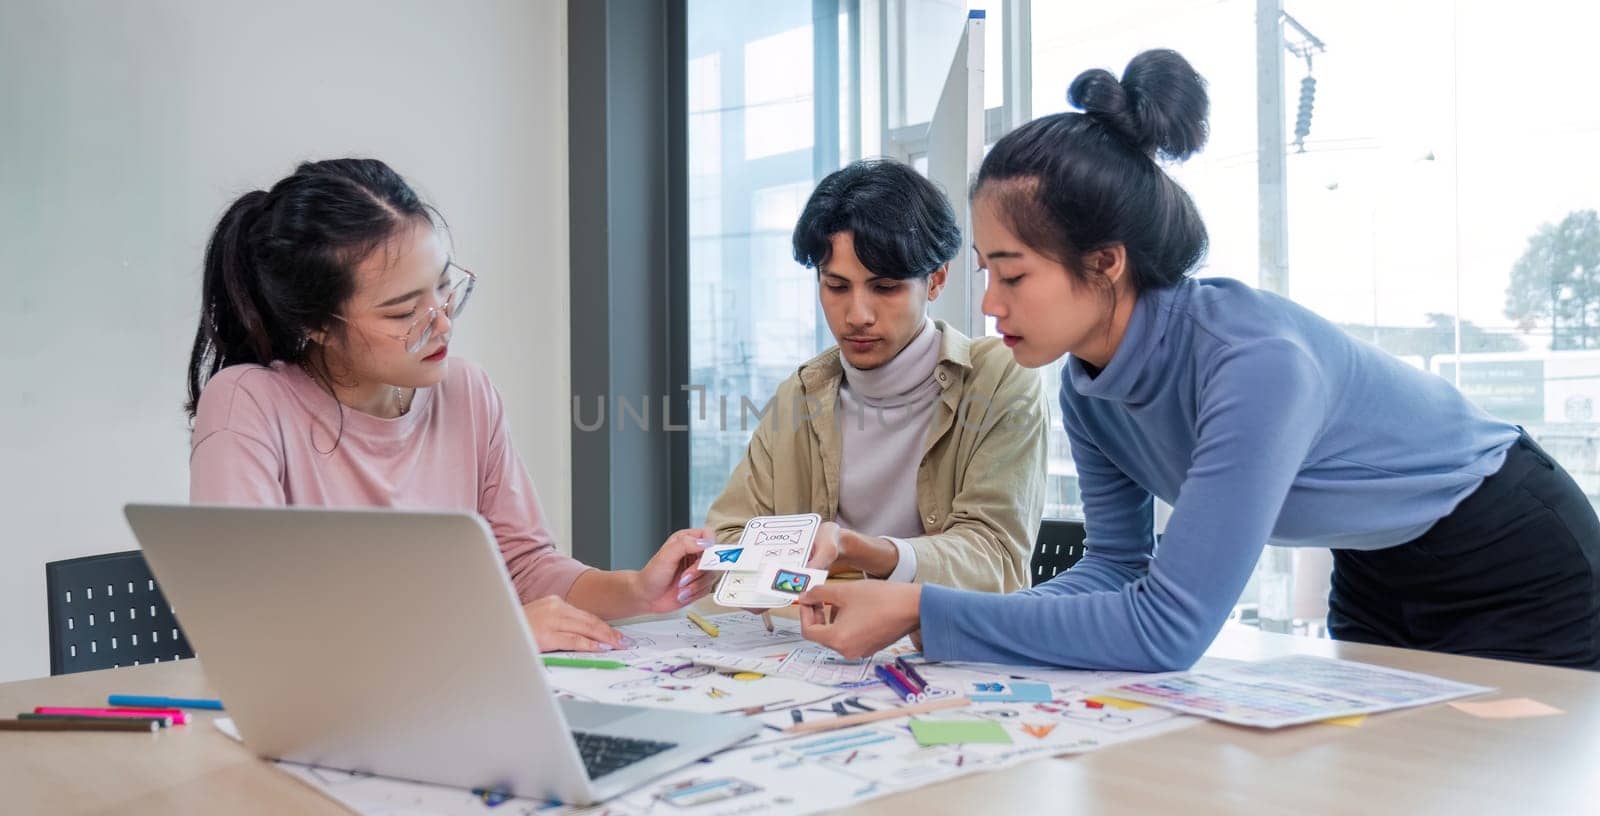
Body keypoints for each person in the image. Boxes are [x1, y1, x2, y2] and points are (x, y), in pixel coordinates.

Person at [796, 50, 1600, 671]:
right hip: (1377, 563)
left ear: (1105, 263)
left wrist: (923, 612)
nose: (990, 304)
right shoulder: (1087, 384)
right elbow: (1112, 570)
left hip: (1512, 549)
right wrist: (935, 625)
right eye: (986, 272)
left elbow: (1169, 628)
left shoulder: (1253, 365)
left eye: (1012, 274)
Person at [186, 158, 716, 653]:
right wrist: (492, 634)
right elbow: (255, 621)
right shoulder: (248, 403)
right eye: (403, 313)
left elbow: (524, 569)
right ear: (317, 325)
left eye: (444, 288)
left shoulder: (467, 392)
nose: (442, 323)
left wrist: (637, 591)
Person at [705, 159, 1049, 592]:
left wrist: (863, 555)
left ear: (936, 280)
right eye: (836, 287)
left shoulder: (999, 378)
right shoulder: (802, 394)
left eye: (884, 288)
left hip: (939, 645)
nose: (857, 316)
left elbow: (994, 560)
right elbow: (729, 538)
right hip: (811, 645)